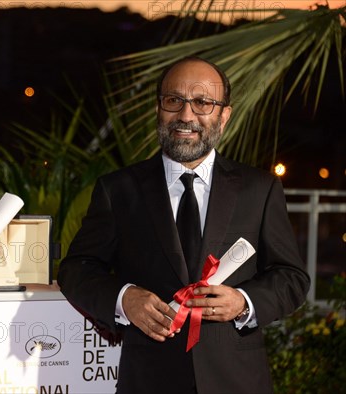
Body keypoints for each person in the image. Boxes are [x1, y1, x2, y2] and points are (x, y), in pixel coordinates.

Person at [57, 56, 310, 394]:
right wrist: (124, 298)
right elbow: (75, 270)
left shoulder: (259, 189)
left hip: (237, 381)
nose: (186, 116)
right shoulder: (118, 190)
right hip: (148, 380)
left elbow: (292, 278)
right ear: (159, 108)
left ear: (224, 115)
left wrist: (243, 302)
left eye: (203, 103)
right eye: (174, 101)